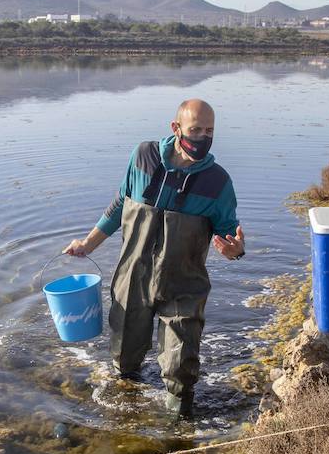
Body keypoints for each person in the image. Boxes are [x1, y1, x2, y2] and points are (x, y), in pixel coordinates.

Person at [64, 99, 246, 417]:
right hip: (132, 277)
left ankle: (179, 428)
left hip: (184, 286)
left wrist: (236, 252)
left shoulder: (218, 182)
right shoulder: (144, 156)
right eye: (195, 130)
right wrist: (88, 244)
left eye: (209, 131)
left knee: (180, 369)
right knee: (124, 358)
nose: (203, 137)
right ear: (176, 128)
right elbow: (121, 202)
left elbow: (230, 233)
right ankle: (125, 417)